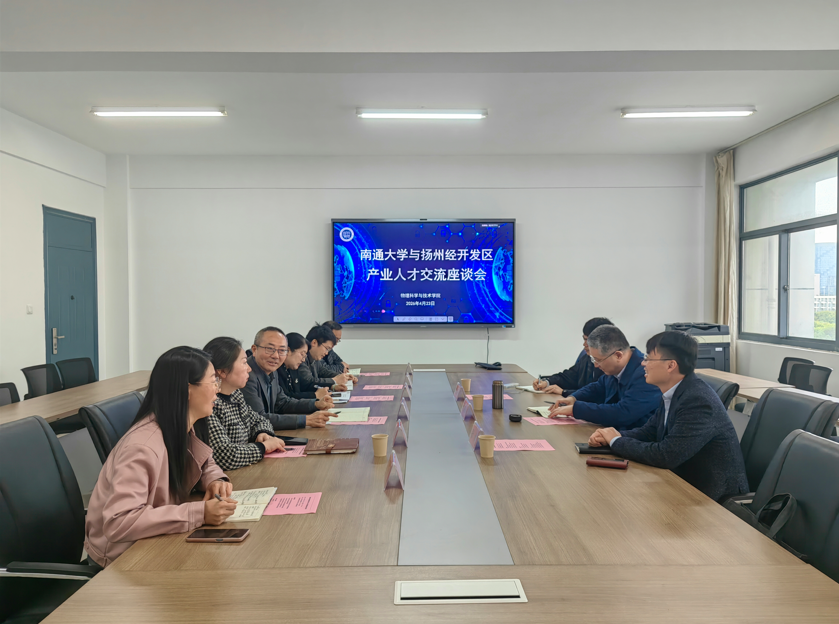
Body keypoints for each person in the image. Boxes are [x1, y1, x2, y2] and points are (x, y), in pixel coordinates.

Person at [85, 346, 237, 568]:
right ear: (187, 390)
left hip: (154, 541)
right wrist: (200, 513)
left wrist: (215, 479)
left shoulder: (179, 424)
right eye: (213, 381)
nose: (217, 389)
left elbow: (204, 461)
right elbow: (119, 522)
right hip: (122, 560)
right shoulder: (142, 447)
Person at [588, 331, 749, 502]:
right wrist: (610, 436)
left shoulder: (698, 401)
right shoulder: (674, 392)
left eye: (649, 359)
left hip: (713, 499)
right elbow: (649, 432)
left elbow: (666, 455)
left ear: (671, 365)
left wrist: (616, 441)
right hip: (682, 484)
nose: (643, 363)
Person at [548, 324, 660, 429]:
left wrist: (577, 410)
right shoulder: (615, 369)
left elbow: (623, 413)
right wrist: (573, 398)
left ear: (618, 355)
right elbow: (597, 387)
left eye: (598, 360)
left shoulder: (645, 374)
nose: (596, 365)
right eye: (593, 359)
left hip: (634, 438)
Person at [202, 337, 286, 471]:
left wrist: (262, 432)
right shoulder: (209, 405)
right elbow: (225, 456)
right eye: (244, 363)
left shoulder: (236, 394)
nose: (249, 369)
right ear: (222, 371)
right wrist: (263, 447)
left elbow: (259, 420)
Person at [242, 326, 334, 429]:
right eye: (270, 349)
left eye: (282, 350)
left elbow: (283, 403)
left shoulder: (272, 371)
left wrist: (315, 404)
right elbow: (258, 418)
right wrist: (306, 420)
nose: (276, 356)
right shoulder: (246, 375)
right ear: (254, 349)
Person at [533, 317, 612, 395]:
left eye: (589, 341)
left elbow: (598, 395)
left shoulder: (612, 367)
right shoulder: (587, 358)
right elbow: (568, 377)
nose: (584, 344)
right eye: (585, 339)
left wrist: (564, 392)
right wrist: (547, 382)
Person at [298, 325, 354, 391]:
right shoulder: (301, 359)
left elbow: (324, 372)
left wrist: (343, 376)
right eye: (327, 348)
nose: (327, 353)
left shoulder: (315, 358)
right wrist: (334, 380)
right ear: (314, 343)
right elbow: (309, 381)